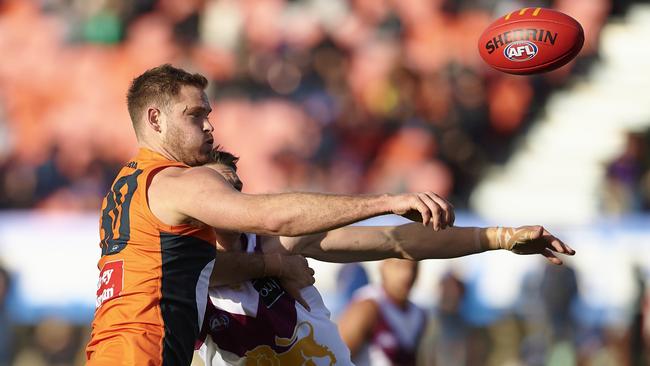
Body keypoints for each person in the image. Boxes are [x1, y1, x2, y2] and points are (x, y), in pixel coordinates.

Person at [85, 64, 457, 366]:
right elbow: (270, 218)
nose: (209, 126)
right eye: (195, 115)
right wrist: (386, 202)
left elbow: (209, 267)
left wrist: (271, 266)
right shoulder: (175, 183)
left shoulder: (128, 185)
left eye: (208, 114)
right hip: (143, 355)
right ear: (155, 120)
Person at [196, 150, 575, 366]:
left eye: (238, 187)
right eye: (220, 189)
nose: (233, 198)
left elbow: (396, 242)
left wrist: (498, 237)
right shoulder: (185, 274)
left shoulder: (279, 242)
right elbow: (208, 270)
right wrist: (273, 269)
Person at [338, 259, 425, 366]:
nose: (407, 274)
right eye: (399, 266)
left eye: (413, 267)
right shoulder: (367, 307)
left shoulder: (419, 314)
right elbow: (335, 357)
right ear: (383, 266)